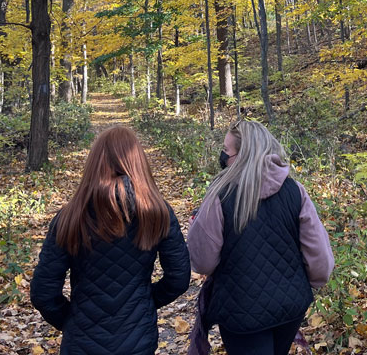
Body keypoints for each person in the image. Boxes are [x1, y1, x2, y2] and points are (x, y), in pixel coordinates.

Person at [30, 125, 191, 354]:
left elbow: (43, 292)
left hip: (81, 343)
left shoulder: (70, 216)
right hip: (138, 342)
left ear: (95, 163)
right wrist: (144, 305)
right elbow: (179, 278)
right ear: (138, 163)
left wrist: (72, 321)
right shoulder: (157, 212)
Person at [188, 120, 334, 355]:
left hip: (240, 312)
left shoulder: (220, 195)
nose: (223, 155)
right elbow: (320, 258)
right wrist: (309, 283)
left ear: (242, 155)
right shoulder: (295, 191)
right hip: (290, 307)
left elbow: (203, 261)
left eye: (227, 150)